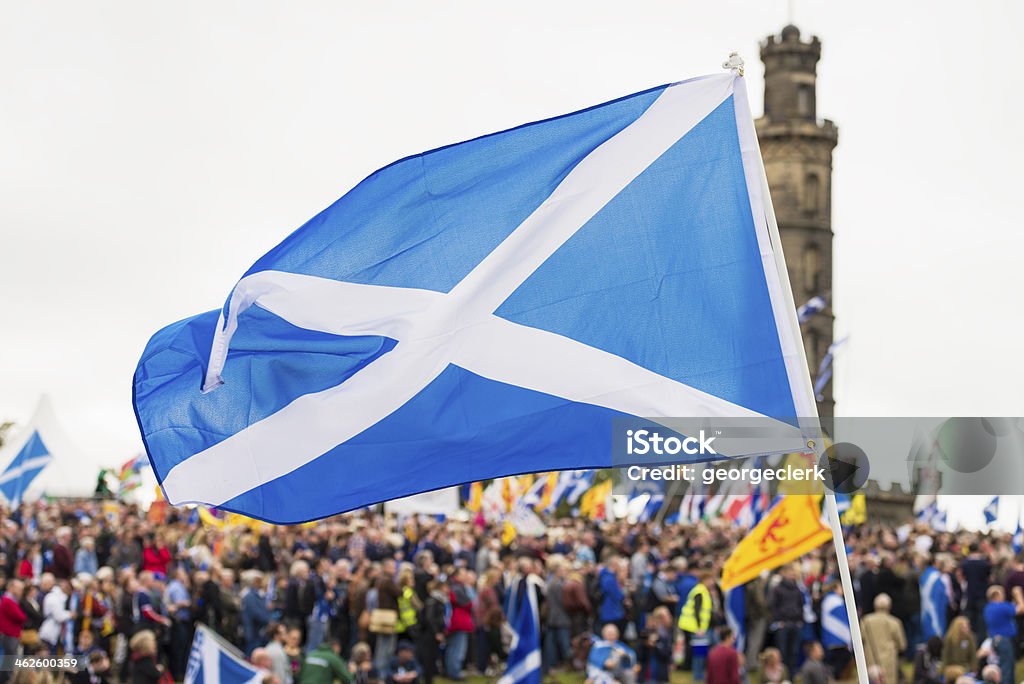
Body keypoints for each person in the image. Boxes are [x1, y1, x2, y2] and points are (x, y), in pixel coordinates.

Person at [767, 565, 805, 677]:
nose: (792, 574)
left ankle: (791, 677)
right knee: (782, 652)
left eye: (792, 572)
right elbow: (772, 605)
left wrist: (799, 620)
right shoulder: (777, 589)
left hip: (795, 624)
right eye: (789, 572)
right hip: (782, 624)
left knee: (794, 652)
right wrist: (779, 619)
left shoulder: (797, 588)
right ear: (783, 573)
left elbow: (801, 604)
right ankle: (782, 677)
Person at [861, 593, 906, 684]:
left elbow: (860, 639)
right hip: (888, 662)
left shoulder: (866, 620)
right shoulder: (895, 622)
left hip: (870, 659)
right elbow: (902, 645)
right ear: (889, 606)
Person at [982, 584, 1024, 684]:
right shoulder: (1001, 606)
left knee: (1004, 666)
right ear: (997, 595)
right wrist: (1018, 595)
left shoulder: (988, 608)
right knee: (1008, 668)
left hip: (995, 640)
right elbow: (1021, 609)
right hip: (1004, 640)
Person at [678, 573, 714, 682]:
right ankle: (697, 675)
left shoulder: (701, 590)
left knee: (697, 652)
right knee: (698, 653)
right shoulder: (700, 591)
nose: (712, 583)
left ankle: (697, 673)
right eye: (710, 580)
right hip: (695, 628)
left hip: (695, 627)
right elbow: (697, 610)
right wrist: (699, 628)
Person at [445, 568, 474, 681]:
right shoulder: (457, 588)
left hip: (456, 621)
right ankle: (455, 672)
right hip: (459, 622)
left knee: (453, 648)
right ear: (456, 576)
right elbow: (469, 603)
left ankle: (451, 671)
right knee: (457, 648)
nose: (465, 576)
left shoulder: (454, 586)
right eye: (462, 574)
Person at [645, 606, 674, 684]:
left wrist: (670, 661)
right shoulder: (650, 633)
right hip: (654, 674)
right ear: (660, 619)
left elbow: (668, 651)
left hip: (663, 672)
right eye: (667, 615)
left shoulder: (667, 632)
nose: (670, 617)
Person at [0, 579, 27, 661]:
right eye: (19, 589)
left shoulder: (12, 600)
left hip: (11, 634)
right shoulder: (8, 600)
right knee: (9, 660)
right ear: (12, 588)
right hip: (9, 634)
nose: (21, 591)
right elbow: (21, 617)